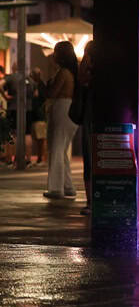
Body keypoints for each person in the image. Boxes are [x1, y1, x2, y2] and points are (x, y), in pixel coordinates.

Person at [43, 42, 78, 200]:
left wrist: (39, 81)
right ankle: (67, 185)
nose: (53, 55)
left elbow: (52, 92)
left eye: (55, 52)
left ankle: (56, 188)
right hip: (68, 110)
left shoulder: (63, 72)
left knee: (56, 148)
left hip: (62, 109)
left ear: (61, 55)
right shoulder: (71, 72)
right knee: (62, 149)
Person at [71, 42, 97, 214]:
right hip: (95, 113)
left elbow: (81, 81)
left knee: (90, 157)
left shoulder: (88, 69)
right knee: (91, 158)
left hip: (91, 113)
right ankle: (91, 201)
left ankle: (90, 202)